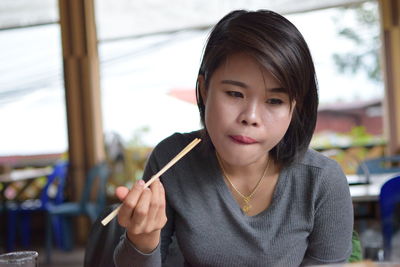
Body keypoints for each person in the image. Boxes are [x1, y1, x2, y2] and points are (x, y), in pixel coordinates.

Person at [113, 9, 353, 266]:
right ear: (205, 90)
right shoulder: (172, 160)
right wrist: (142, 240)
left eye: (274, 100)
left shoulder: (321, 180)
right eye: (235, 94)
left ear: (295, 108)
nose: (250, 117)